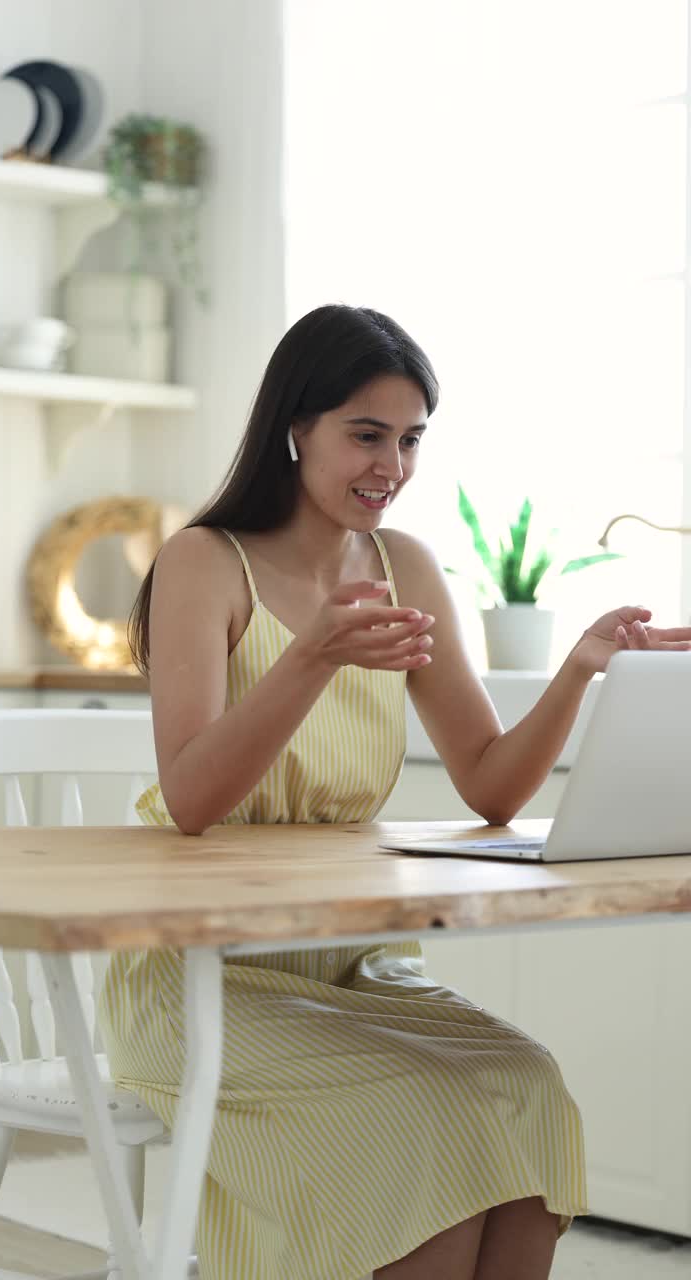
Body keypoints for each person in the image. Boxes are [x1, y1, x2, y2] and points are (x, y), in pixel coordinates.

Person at [99, 303, 691, 1280]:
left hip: (350, 962)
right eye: (366, 433)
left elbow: (493, 785)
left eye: (411, 438)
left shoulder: (406, 565)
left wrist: (580, 670)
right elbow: (193, 797)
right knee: (425, 1131)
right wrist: (314, 655)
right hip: (199, 975)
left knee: (529, 1085)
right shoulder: (204, 563)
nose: (393, 464)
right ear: (297, 426)